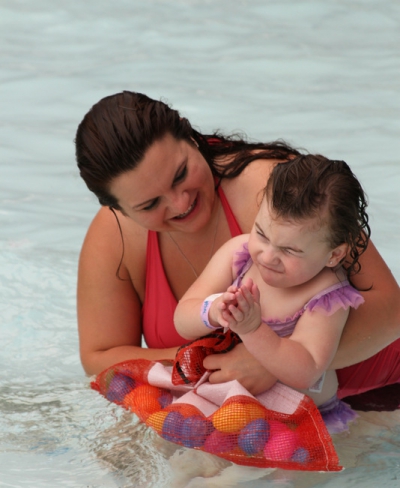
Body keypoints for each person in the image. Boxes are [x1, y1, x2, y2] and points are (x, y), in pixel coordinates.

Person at [75, 91, 400, 402]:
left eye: (180, 174)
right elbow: (99, 358)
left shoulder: (280, 193)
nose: (179, 203)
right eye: (149, 204)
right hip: (249, 420)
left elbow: (393, 311)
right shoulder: (114, 236)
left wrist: (269, 361)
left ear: (191, 138)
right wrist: (202, 360)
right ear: (119, 209)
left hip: (381, 393)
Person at [174, 155, 370, 430]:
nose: (267, 256)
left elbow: (305, 370)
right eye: (262, 234)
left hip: (300, 423)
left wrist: (253, 329)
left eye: (289, 250)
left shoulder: (327, 295)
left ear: (333, 255)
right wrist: (215, 310)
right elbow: (182, 319)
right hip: (230, 409)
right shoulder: (239, 256)